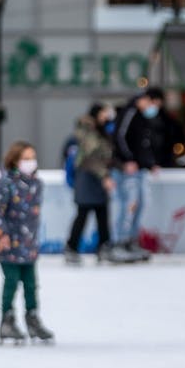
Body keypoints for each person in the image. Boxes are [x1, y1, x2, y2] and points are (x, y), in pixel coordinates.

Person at [0, 141, 54, 345]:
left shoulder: (36, 184)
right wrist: (1, 234)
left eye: (32, 157)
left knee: (32, 284)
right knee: (11, 282)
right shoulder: (7, 183)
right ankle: (7, 320)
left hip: (28, 244)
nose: (30, 162)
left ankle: (32, 318)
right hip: (9, 244)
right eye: (25, 158)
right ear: (15, 160)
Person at [109, 88, 163, 262]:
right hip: (127, 171)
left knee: (140, 204)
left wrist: (149, 163)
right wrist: (128, 160)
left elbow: (143, 144)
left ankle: (131, 241)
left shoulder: (142, 118)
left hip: (139, 169)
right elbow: (120, 137)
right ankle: (119, 243)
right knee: (127, 205)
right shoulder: (130, 113)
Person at [64, 103, 115, 266]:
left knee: (102, 214)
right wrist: (105, 176)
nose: (107, 116)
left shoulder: (102, 130)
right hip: (87, 178)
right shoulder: (87, 130)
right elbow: (90, 158)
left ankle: (103, 247)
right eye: (104, 113)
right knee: (83, 213)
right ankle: (72, 247)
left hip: (98, 179)